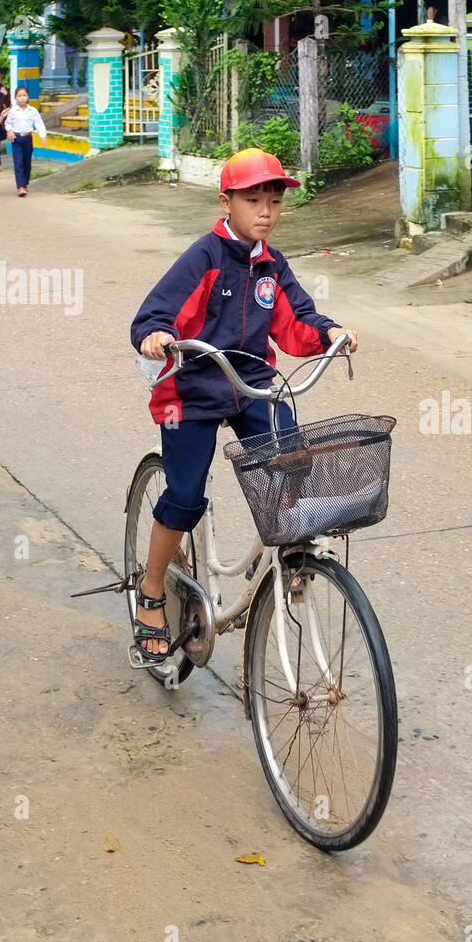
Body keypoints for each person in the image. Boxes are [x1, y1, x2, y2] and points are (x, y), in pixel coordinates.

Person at [128, 148, 359, 663]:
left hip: (252, 381)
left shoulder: (271, 264)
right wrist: (156, 336)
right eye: (253, 200)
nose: (266, 212)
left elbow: (297, 319)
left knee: (292, 457)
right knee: (185, 496)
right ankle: (150, 591)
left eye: (274, 202)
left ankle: (286, 556)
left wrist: (330, 333)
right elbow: (154, 314)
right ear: (226, 201)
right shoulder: (203, 257)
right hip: (191, 388)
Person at [3, 87, 47, 196]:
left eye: (24, 95)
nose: (22, 98)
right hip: (16, 139)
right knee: (18, 162)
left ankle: (25, 183)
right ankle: (21, 186)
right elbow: (8, 123)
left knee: (27, 162)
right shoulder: (13, 111)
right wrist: (10, 131)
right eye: (19, 96)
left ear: (28, 97)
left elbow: (39, 124)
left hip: (27, 138)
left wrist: (43, 135)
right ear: (15, 98)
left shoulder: (33, 111)